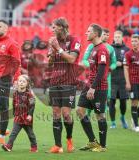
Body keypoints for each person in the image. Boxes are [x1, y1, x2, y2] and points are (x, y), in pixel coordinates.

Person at [47, 17, 81, 153]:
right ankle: (57, 145)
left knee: (66, 114)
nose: (52, 29)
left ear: (61, 27)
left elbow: (72, 59)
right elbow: (50, 63)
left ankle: (69, 139)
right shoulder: (53, 42)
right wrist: (51, 53)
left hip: (68, 81)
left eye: (54, 27)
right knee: (55, 113)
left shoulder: (74, 40)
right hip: (55, 81)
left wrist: (58, 49)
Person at [77, 24, 110, 152]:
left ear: (95, 34)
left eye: (88, 31)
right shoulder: (93, 48)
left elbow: (101, 71)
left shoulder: (102, 49)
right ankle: (92, 141)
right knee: (80, 111)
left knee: (100, 115)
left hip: (99, 88)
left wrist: (93, 88)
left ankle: (103, 146)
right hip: (89, 85)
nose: (86, 33)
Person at [80, 28, 117, 117]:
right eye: (104, 34)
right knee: (89, 97)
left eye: (108, 35)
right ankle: (89, 114)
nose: (106, 36)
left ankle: (104, 117)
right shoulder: (91, 46)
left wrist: (109, 69)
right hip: (92, 75)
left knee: (105, 98)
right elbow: (84, 59)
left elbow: (114, 62)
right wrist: (91, 66)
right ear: (100, 35)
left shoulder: (111, 48)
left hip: (105, 76)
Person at [2, 75, 37, 152]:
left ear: (27, 84)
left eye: (23, 81)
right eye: (20, 81)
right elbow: (14, 103)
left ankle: (34, 147)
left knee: (30, 134)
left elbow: (32, 105)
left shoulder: (29, 94)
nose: (21, 83)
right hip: (18, 117)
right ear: (17, 82)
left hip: (26, 117)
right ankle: (9, 146)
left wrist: (30, 115)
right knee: (13, 133)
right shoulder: (15, 94)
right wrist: (14, 112)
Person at [109, 30, 130, 129]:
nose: (117, 38)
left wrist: (122, 63)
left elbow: (130, 63)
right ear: (113, 38)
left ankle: (122, 117)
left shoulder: (127, 49)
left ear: (122, 38)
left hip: (123, 80)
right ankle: (113, 122)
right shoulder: (109, 48)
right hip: (112, 80)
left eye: (119, 37)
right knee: (111, 101)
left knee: (123, 102)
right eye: (115, 37)